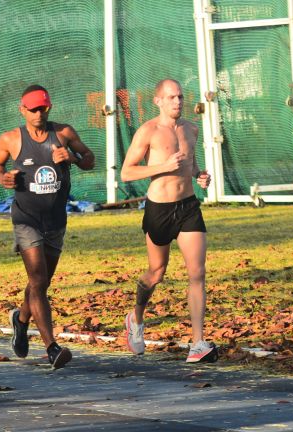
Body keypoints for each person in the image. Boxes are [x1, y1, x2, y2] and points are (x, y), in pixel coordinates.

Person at [0, 84, 95, 368]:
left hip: (56, 219)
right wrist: (3, 178)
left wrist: (71, 158)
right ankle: (51, 347)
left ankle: (21, 319)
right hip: (26, 218)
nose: (39, 113)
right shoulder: (12, 138)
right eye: (33, 108)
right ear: (22, 109)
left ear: (49, 107)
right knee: (37, 280)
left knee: (42, 282)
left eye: (43, 108)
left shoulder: (64, 133)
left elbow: (90, 160)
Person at [120, 78, 218, 363]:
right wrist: (163, 166)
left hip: (188, 207)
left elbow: (191, 164)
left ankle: (198, 343)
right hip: (159, 210)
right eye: (171, 97)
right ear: (158, 101)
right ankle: (136, 318)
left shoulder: (191, 128)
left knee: (197, 273)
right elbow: (127, 172)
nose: (177, 101)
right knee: (156, 272)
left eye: (180, 97)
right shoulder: (147, 131)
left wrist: (200, 176)